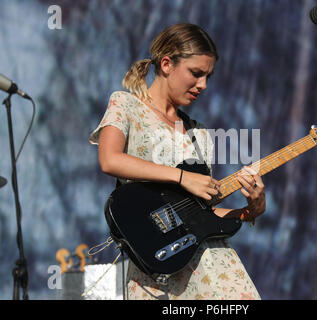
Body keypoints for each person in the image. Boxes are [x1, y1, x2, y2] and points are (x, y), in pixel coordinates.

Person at [89, 23, 266, 300]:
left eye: (208, 77)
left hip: (214, 272)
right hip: (154, 272)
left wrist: (252, 208)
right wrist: (182, 176)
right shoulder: (125, 104)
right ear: (167, 63)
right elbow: (110, 159)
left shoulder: (200, 133)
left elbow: (200, 215)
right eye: (196, 74)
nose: (203, 85)